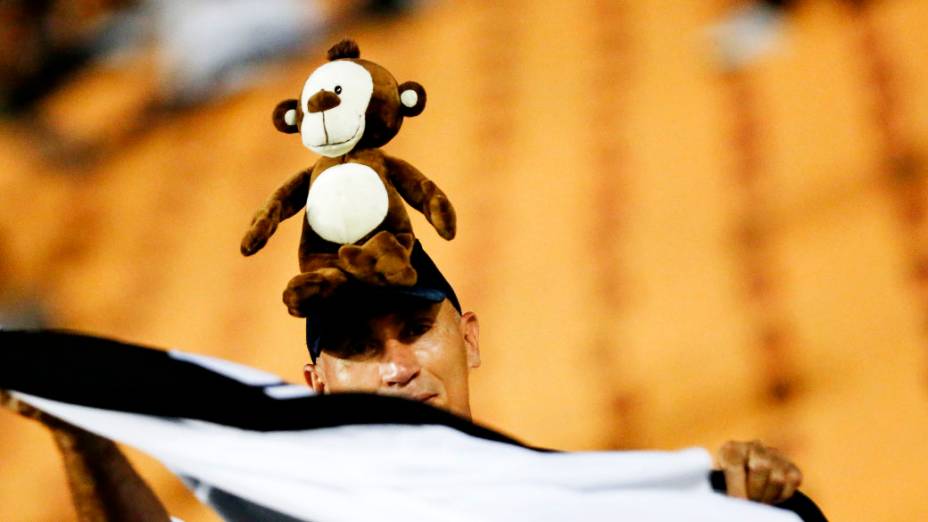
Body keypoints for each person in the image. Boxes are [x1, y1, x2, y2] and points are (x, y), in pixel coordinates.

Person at [0, 242, 816, 519]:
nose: (396, 367)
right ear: (314, 386)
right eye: (359, 346)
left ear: (466, 339)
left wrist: (738, 499)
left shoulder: (578, 504)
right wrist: (88, 437)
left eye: (415, 331)